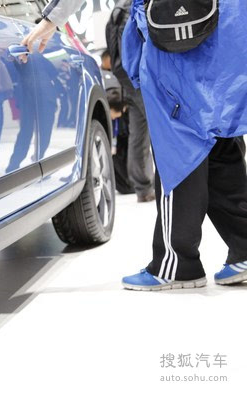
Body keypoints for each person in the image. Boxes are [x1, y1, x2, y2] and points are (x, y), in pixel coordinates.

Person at [22, 0, 247, 289]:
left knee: (179, 149)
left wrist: (51, 19)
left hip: (176, 33)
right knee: (218, 139)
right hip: (226, 29)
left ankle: (176, 263)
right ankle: (244, 248)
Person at [105, 0, 155, 202]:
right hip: (140, 77)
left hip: (125, 78)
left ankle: (143, 189)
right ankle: (168, 186)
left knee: (138, 134)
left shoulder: (117, 10)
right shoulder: (133, 7)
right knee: (159, 130)